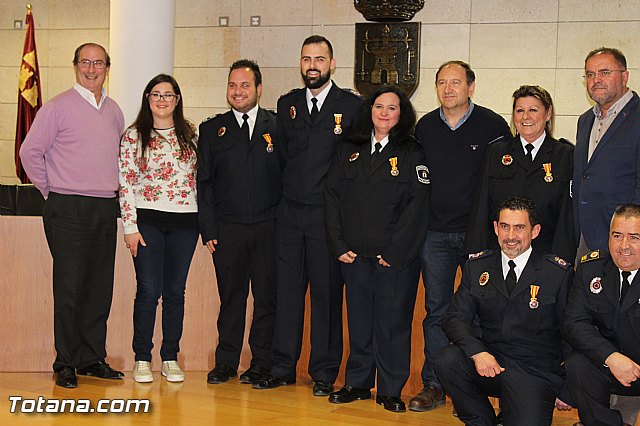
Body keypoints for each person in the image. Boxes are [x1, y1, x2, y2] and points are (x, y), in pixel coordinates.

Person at [253, 35, 362, 396]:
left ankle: (324, 372)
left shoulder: (351, 106)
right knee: (287, 293)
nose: (312, 65)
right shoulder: (288, 105)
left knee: (327, 296)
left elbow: (354, 164)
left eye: (319, 59)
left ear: (332, 64)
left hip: (327, 218)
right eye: (306, 59)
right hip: (290, 215)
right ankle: (283, 366)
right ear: (300, 64)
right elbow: (283, 158)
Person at [19, 43, 125, 388]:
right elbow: (29, 152)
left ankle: (91, 357)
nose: (91, 68)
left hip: (104, 207)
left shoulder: (114, 110)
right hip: (68, 207)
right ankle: (65, 361)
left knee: (98, 287)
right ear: (75, 66)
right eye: (85, 62)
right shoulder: (56, 107)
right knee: (69, 288)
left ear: (107, 68)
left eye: (98, 63)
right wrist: (54, 191)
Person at [410, 60, 510, 412]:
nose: (448, 89)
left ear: (471, 86)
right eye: (441, 83)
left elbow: (503, 181)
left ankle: (473, 388)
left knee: (480, 312)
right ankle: (435, 385)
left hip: (478, 237)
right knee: (436, 311)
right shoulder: (424, 127)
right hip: (434, 235)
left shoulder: (493, 126)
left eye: (455, 82)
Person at [324, 85, 429, 412]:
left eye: (392, 108)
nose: (384, 113)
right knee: (359, 322)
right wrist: (338, 243)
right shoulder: (349, 148)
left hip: (394, 259)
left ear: (402, 114)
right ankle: (356, 383)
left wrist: (395, 252)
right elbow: (331, 197)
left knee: (392, 323)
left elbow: (417, 207)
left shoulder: (412, 151)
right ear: (369, 110)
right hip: (354, 256)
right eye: (379, 106)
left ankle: (390, 389)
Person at [435, 196, 573, 426]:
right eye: (504, 227)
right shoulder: (477, 267)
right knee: (447, 359)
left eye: (519, 228)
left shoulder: (557, 273)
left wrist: (568, 388)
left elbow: (571, 332)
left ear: (535, 231)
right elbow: (455, 318)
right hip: (491, 362)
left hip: (534, 372)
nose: (510, 236)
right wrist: (478, 353)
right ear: (495, 228)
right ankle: (481, 420)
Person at [197, 60, 281, 385]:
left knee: (266, 298)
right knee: (231, 298)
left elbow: (287, 179)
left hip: (268, 228)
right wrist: (209, 229)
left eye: (245, 85)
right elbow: (204, 183)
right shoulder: (212, 129)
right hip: (227, 230)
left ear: (258, 89)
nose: (238, 91)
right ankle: (226, 362)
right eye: (233, 85)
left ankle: (261, 362)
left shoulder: (278, 127)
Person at [119, 74, 198, 383]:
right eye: (156, 94)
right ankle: (141, 356)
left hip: (185, 222)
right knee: (149, 290)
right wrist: (130, 226)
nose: (162, 100)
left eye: (169, 94)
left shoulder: (190, 134)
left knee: (175, 292)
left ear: (177, 100)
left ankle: (169, 357)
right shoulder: (134, 135)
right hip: (147, 222)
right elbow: (124, 182)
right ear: (147, 99)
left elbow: (198, 181)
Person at [465, 85, 576, 262]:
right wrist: (475, 252)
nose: (526, 117)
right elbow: (481, 205)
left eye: (533, 110)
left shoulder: (565, 154)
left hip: (545, 254)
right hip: (500, 254)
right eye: (519, 110)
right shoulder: (496, 152)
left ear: (548, 114)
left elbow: (566, 215)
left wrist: (561, 260)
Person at [563, 204, 640, 426]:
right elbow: (574, 323)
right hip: (610, 366)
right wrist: (611, 358)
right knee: (577, 363)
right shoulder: (591, 269)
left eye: (634, 237)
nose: (624, 246)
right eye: (617, 235)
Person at [573, 47, 640, 261]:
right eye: (590, 74)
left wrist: (631, 234)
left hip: (626, 240)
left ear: (624, 76)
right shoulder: (585, 121)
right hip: (587, 235)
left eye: (604, 72)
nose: (596, 80)